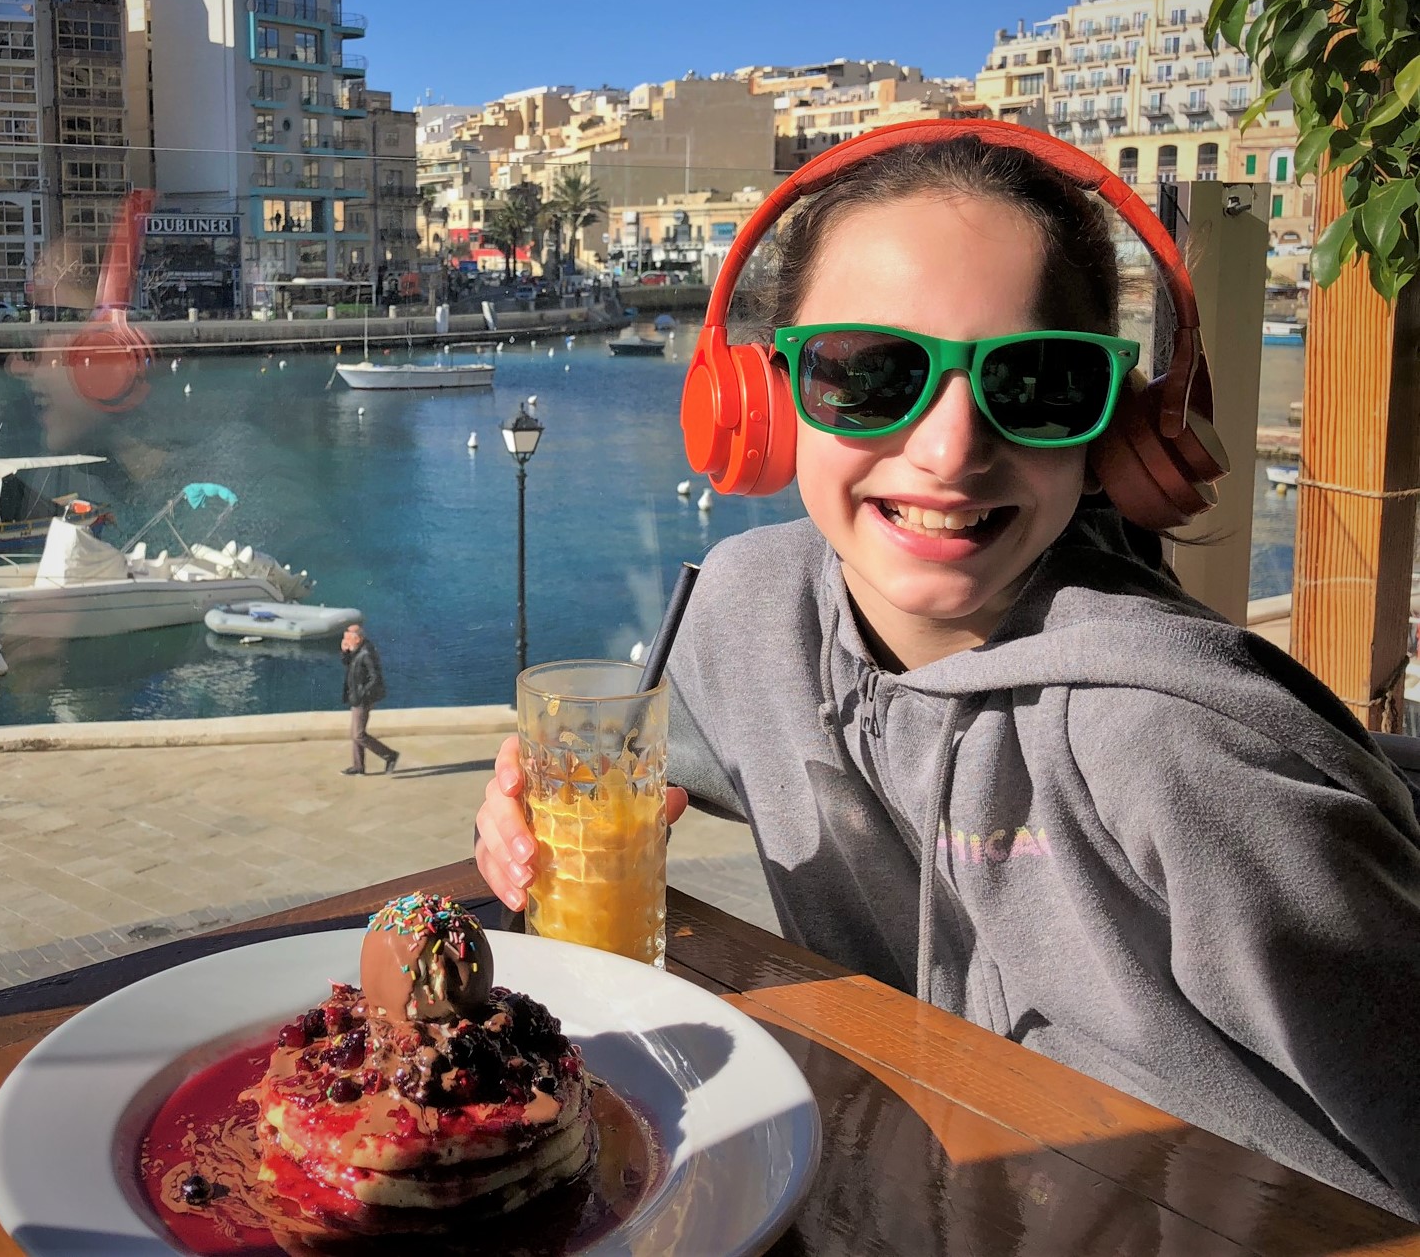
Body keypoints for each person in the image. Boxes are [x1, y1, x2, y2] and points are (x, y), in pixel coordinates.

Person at [475, 127, 1420, 1220]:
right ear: (766, 400)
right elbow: (630, 758)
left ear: (1114, 430)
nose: (950, 447)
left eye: (1036, 382)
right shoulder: (744, 612)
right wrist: (531, 799)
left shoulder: (1183, 752)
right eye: (870, 373)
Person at [341, 623, 398, 776]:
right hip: (356, 697)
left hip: (363, 699)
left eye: (348, 638)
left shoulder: (366, 653)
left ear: (358, 639)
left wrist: (361, 693)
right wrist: (345, 652)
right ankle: (358, 766)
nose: (345, 641)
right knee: (355, 733)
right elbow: (348, 664)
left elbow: (375, 677)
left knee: (358, 735)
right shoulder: (357, 650)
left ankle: (390, 755)